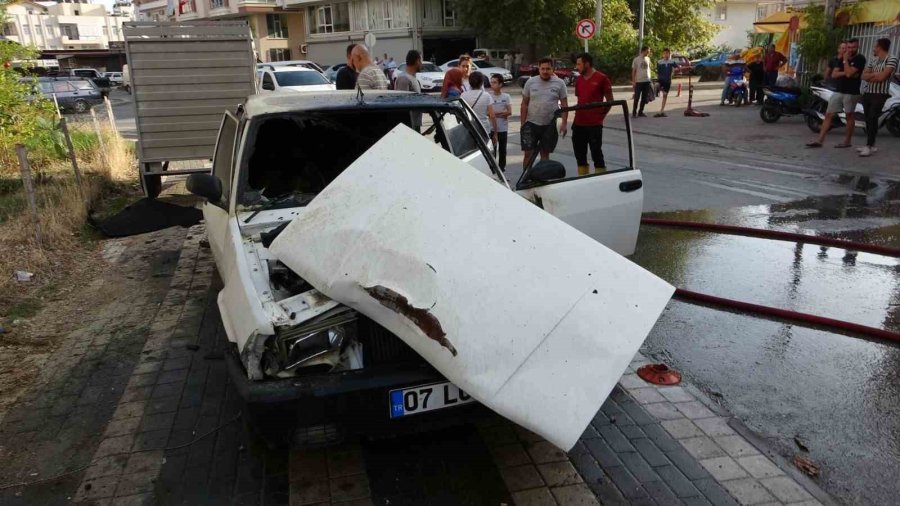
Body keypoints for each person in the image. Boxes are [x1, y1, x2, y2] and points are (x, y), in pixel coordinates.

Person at [807, 38, 866, 149]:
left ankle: (847, 141)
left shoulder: (860, 59)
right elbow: (834, 74)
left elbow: (849, 74)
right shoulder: (841, 58)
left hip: (851, 92)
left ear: (857, 47)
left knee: (849, 115)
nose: (850, 49)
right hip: (839, 90)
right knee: (829, 114)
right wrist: (847, 71)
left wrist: (845, 62)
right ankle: (820, 140)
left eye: (853, 47)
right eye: (849, 47)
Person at [521, 57, 569, 168]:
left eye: (548, 68)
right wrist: (523, 124)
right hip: (531, 124)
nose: (545, 71)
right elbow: (524, 104)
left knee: (545, 153)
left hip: (549, 125)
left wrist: (564, 123)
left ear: (553, 69)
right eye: (542, 69)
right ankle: (525, 179)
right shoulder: (531, 82)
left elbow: (564, 105)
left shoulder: (560, 83)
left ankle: (544, 178)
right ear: (539, 69)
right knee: (528, 153)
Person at [571, 52, 613, 175]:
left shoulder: (602, 78)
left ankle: (600, 178)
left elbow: (610, 101)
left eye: (579, 64)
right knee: (579, 154)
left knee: (596, 153)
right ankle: (583, 177)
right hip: (578, 123)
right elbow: (580, 98)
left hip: (594, 124)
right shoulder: (578, 80)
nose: (576, 67)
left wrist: (600, 116)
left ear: (587, 64)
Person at [858, 38, 897, 157]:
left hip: (880, 94)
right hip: (868, 92)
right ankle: (871, 144)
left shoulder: (892, 59)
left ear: (879, 47)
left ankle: (869, 145)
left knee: (872, 117)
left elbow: (883, 77)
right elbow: (863, 76)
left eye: (875, 46)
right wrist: (876, 75)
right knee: (868, 119)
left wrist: (873, 75)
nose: (873, 49)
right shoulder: (873, 60)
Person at [394, 50, 423, 132]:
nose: (422, 64)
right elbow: (402, 106)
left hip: (415, 124)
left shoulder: (413, 78)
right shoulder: (404, 78)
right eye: (421, 60)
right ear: (417, 61)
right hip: (409, 127)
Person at [461, 72, 494, 142]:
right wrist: (495, 132)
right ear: (482, 82)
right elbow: (492, 116)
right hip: (484, 128)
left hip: (470, 128)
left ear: (469, 82)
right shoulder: (486, 96)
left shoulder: (463, 95)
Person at [488, 74, 511, 170]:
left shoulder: (506, 96)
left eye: (494, 82)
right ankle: (492, 170)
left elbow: (509, 112)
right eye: (491, 82)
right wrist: (501, 113)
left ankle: (502, 170)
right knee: (492, 150)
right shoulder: (488, 96)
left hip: (503, 128)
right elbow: (487, 113)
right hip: (492, 128)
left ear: (500, 84)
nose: (492, 84)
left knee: (503, 150)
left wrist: (494, 113)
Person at [655, 48, 678, 117]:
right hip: (661, 79)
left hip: (668, 81)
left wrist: (676, 70)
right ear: (662, 54)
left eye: (667, 53)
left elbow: (677, 68)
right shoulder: (659, 62)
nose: (666, 55)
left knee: (665, 96)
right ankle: (661, 91)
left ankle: (662, 110)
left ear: (669, 54)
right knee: (656, 85)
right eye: (664, 53)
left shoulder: (672, 61)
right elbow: (658, 72)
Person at [631, 46, 652, 118]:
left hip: (647, 81)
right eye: (648, 51)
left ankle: (641, 112)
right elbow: (633, 71)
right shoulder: (636, 60)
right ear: (643, 51)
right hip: (639, 81)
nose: (649, 52)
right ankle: (634, 112)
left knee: (644, 98)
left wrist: (650, 79)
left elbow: (649, 69)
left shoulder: (648, 59)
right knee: (636, 97)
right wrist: (633, 81)